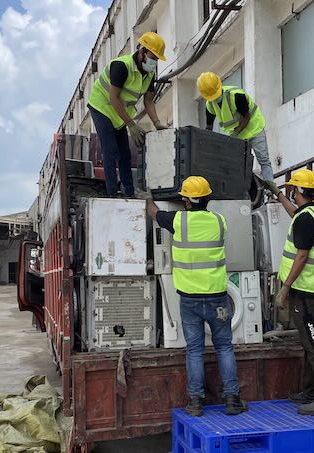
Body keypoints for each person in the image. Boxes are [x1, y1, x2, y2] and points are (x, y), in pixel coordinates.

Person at [135, 177, 248, 417]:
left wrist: (147, 197)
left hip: (189, 300)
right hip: (218, 298)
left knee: (194, 350)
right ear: (208, 198)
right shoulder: (219, 221)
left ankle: (195, 402)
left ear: (185, 201)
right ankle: (232, 400)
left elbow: (153, 213)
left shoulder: (177, 220)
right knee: (224, 347)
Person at [259, 170, 314, 416]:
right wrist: (278, 194)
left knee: (313, 343)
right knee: (307, 342)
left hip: (304, 292)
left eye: (292, 189)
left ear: (298, 191)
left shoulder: (306, 219)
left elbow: (302, 255)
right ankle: (310, 392)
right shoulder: (309, 213)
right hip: (306, 290)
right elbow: (294, 213)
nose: (291, 191)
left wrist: (285, 288)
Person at [87, 32, 167, 197]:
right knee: (110, 150)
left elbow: (149, 101)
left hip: (119, 114)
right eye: (153, 56)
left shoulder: (149, 74)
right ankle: (112, 193)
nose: (154, 62)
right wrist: (131, 124)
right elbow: (114, 97)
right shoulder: (121, 66)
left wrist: (157, 122)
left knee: (125, 153)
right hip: (101, 107)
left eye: (157, 58)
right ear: (142, 52)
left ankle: (129, 192)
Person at [196, 72, 274, 181]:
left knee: (264, 161)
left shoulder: (236, 95)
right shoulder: (210, 106)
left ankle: (271, 190)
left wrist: (235, 134)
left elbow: (246, 117)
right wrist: (206, 142)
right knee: (239, 166)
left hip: (254, 128)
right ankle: (249, 191)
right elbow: (209, 127)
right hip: (238, 136)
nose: (215, 98)